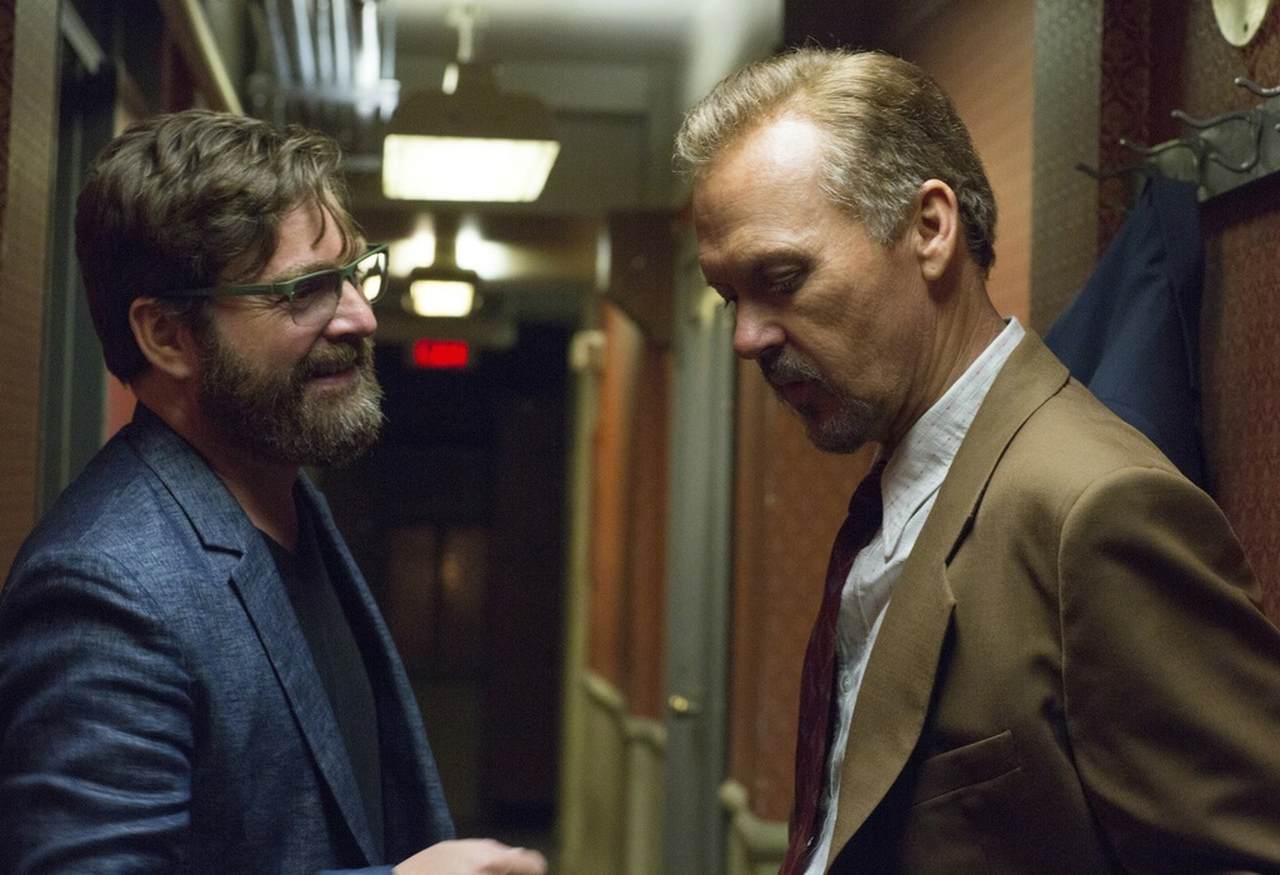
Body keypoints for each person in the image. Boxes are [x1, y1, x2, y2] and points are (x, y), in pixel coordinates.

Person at [676, 48, 1280, 873]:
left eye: (781, 277)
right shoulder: (905, 485)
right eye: (730, 299)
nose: (747, 337)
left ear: (930, 228)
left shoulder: (1094, 509)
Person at [0, 110, 546, 875]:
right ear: (167, 335)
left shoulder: (287, 498)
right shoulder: (105, 585)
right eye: (305, 290)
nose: (360, 316)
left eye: (355, 273)